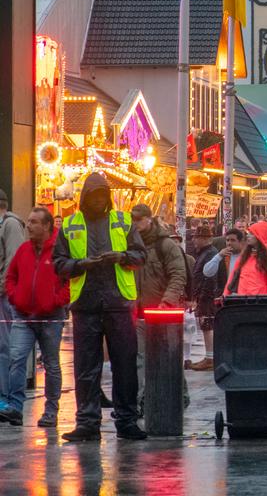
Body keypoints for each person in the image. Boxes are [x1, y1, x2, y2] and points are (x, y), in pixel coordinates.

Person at [51, 172, 147, 441]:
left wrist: (121, 257)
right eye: (94, 195)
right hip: (86, 305)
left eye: (102, 195)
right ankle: (88, 422)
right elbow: (58, 264)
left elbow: (141, 256)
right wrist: (82, 264)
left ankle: (126, 420)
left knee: (125, 365)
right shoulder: (70, 224)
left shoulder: (123, 221)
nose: (98, 200)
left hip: (118, 303)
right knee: (85, 366)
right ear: (85, 198)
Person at [2, 208, 68, 427]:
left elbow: (70, 280)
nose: (28, 226)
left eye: (33, 222)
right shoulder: (23, 250)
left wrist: (57, 300)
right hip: (23, 314)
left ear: (47, 226)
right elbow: (12, 276)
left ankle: (51, 411)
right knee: (16, 359)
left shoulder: (60, 250)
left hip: (50, 316)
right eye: (28, 221)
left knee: (51, 364)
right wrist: (14, 296)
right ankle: (15, 408)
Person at [132, 204, 188, 409]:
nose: (135, 224)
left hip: (162, 313)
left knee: (169, 355)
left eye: (138, 220)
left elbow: (178, 273)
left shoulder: (165, 245)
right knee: (139, 358)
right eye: (133, 220)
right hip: (137, 312)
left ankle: (180, 395)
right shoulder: (130, 245)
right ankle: (141, 402)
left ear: (148, 219)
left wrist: (168, 301)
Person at [0, 189, 26, 416]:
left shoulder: (10, 225)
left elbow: (13, 261)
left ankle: (6, 398)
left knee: (6, 346)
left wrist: (4, 289)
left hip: (5, 297)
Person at [186, 226, 220, 371]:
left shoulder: (210, 253)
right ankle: (209, 356)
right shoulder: (204, 253)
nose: (193, 240)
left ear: (205, 239)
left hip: (207, 296)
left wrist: (202, 295)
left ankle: (210, 358)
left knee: (207, 324)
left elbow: (209, 277)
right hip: (204, 296)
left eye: (196, 237)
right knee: (205, 324)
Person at [224, 221, 267, 297]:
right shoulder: (244, 255)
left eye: (251, 233)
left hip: (260, 304)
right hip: (242, 302)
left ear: (259, 236)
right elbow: (232, 278)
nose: (248, 235)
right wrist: (224, 296)